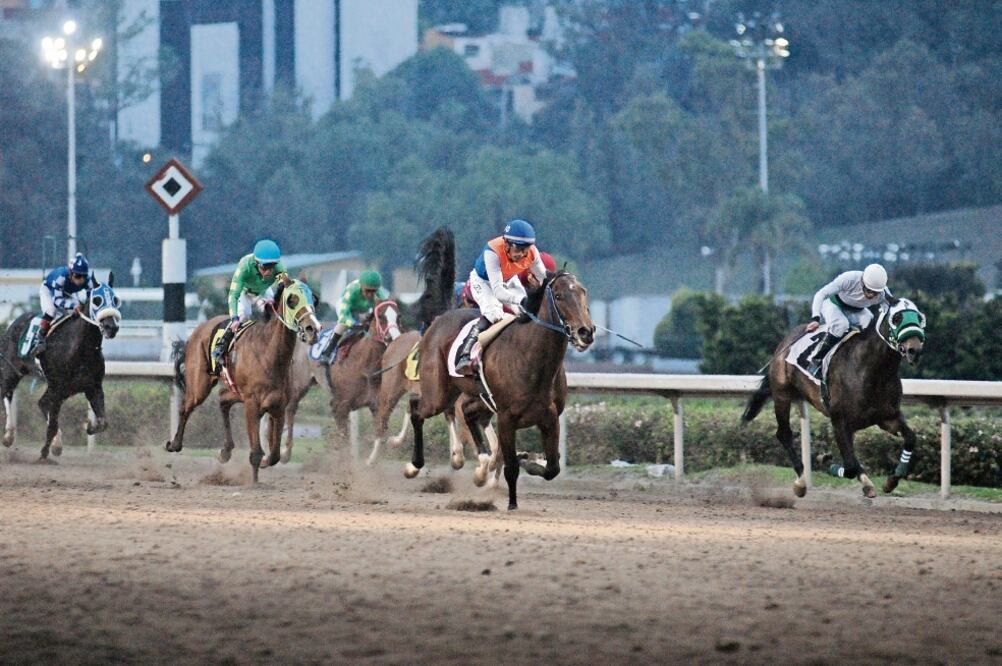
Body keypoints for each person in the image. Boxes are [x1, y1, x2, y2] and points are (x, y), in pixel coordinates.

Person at [454, 219, 547, 375]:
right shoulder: (493, 251)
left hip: (507, 278)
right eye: (519, 248)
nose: (523, 254)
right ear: (507, 243)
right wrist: (521, 300)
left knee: (525, 312)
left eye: (526, 248)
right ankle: (466, 352)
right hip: (483, 281)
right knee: (494, 313)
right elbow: (498, 292)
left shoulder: (532, 253)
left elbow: (545, 278)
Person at [211, 239, 288, 372]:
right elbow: (233, 295)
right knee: (243, 316)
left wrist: (282, 288)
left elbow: (286, 285)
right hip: (244, 292)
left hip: (263, 291)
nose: (269, 272)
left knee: (274, 314)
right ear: (257, 263)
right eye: (265, 267)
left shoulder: (279, 266)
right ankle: (220, 347)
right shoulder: (244, 266)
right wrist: (234, 317)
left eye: (272, 267)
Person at [805, 263, 891, 378]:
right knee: (841, 325)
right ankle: (816, 360)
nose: (870, 295)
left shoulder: (883, 292)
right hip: (834, 304)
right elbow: (821, 294)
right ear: (862, 281)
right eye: (868, 290)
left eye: (875, 293)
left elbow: (890, 311)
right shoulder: (849, 278)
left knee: (871, 325)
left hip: (857, 310)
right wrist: (815, 318)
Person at [317, 269, 397, 365]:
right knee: (343, 325)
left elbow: (385, 308)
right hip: (348, 308)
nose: (370, 294)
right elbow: (344, 315)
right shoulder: (352, 290)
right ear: (361, 286)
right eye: (367, 291)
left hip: (365, 310)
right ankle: (327, 352)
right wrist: (355, 323)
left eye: (373, 291)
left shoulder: (379, 293)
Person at [33, 252, 96, 357]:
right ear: (71, 273)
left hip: (66, 293)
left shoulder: (88, 281)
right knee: (51, 311)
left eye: (84, 276)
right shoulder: (60, 277)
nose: (81, 280)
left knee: (79, 315)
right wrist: (73, 306)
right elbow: (57, 301)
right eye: (77, 275)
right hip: (49, 291)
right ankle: (39, 337)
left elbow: (91, 300)